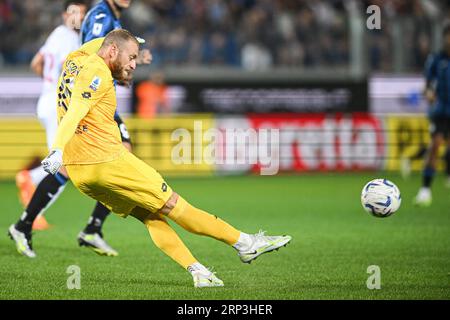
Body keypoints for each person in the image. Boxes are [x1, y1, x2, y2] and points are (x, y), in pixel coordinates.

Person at [9, 30, 292, 287]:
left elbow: (105, 43)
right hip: (107, 161)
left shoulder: (77, 57)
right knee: (175, 206)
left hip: (81, 173)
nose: (134, 64)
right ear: (111, 52)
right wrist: (55, 149)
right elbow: (76, 110)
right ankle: (244, 243)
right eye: (131, 58)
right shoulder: (97, 73)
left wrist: (132, 43)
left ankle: (197, 271)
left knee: (150, 215)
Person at [15, 0, 88, 230]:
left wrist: (49, 83)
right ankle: (32, 186)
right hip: (56, 103)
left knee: (63, 163)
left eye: (82, 14)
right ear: (64, 14)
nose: (79, 18)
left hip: (48, 100)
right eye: (74, 12)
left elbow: (36, 63)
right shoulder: (69, 37)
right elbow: (69, 66)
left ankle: (33, 201)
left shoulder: (57, 34)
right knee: (62, 164)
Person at [414, 22, 450, 206]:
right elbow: (427, 84)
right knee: (435, 146)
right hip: (441, 111)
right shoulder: (436, 59)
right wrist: (428, 93)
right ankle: (425, 190)